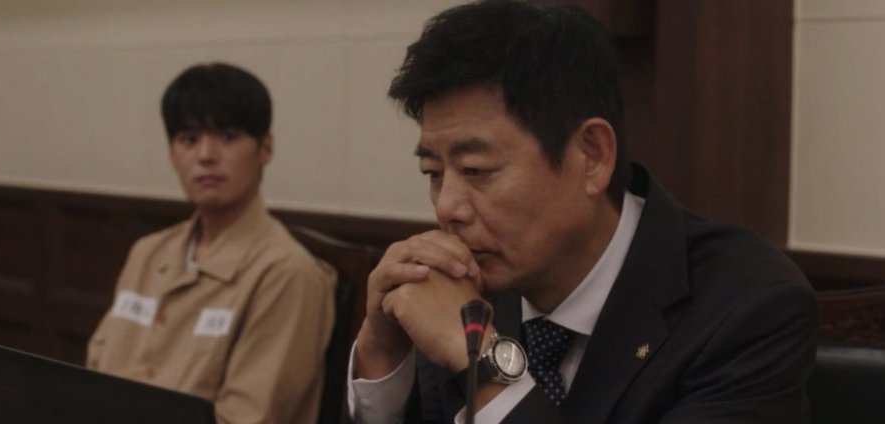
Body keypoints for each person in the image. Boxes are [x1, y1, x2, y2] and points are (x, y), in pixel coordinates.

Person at [347, 1, 819, 423]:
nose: (447, 207)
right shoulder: (458, 286)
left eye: (476, 169)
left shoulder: (747, 307)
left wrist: (485, 365)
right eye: (433, 172)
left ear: (591, 156)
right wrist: (383, 352)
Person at [87, 62, 335, 424]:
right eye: (188, 139)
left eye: (228, 136)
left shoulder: (287, 273)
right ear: (172, 153)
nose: (205, 155)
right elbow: (93, 376)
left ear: (265, 148)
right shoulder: (148, 252)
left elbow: (247, 418)